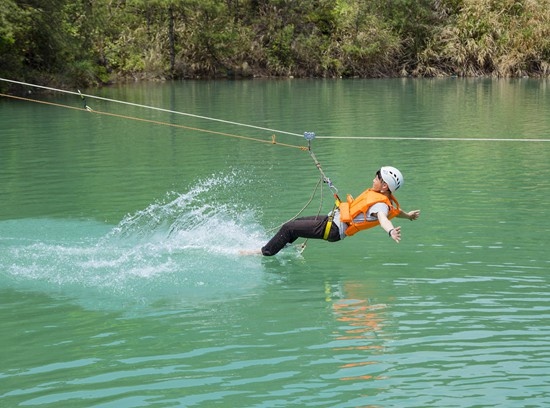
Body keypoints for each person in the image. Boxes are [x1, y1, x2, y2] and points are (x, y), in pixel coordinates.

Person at [260, 166, 420, 256]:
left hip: (333, 230)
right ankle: (278, 247)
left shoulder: (380, 206)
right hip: (331, 221)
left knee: (289, 228)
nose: (373, 180)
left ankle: (265, 252)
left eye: (377, 178)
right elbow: (396, 212)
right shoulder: (383, 199)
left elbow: (384, 218)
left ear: (385, 185)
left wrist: (391, 231)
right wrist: (409, 216)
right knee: (295, 225)